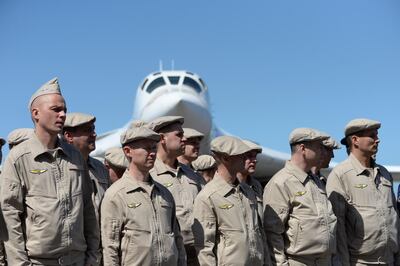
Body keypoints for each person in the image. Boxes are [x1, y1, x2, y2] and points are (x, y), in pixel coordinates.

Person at [0, 77, 99, 265]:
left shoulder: (75, 157)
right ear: (35, 113)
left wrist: (92, 257)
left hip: (78, 260)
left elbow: (88, 209)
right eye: (56, 110)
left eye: (64, 110)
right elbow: (10, 215)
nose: (62, 115)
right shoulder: (19, 158)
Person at [101, 126, 186, 265]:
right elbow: (110, 247)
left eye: (153, 148)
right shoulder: (116, 195)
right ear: (128, 151)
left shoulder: (164, 194)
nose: (152, 153)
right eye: (146, 148)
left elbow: (177, 239)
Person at [327, 118, 400, 265]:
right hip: (360, 262)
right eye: (372, 136)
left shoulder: (384, 174)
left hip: (389, 260)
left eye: (377, 135)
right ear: (355, 140)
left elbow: (394, 216)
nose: (377, 140)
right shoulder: (340, 175)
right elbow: (337, 228)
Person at [263, 128, 337, 266]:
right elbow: (272, 234)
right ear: (303, 148)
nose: (323, 151)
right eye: (318, 147)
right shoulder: (281, 183)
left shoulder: (317, 182)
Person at [193, 136, 267, 265]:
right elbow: (204, 248)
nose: (246, 159)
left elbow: (259, 234)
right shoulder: (208, 197)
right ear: (225, 158)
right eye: (241, 155)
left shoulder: (248, 192)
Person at [148, 116, 205, 266]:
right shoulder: (150, 174)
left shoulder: (192, 174)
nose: (184, 139)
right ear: (162, 138)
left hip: (197, 253)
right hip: (169, 253)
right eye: (179, 135)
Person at [62, 112, 110, 223]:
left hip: (98, 237)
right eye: (88, 130)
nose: (94, 134)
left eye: (93, 130)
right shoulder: (59, 167)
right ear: (69, 136)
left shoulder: (100, 169)